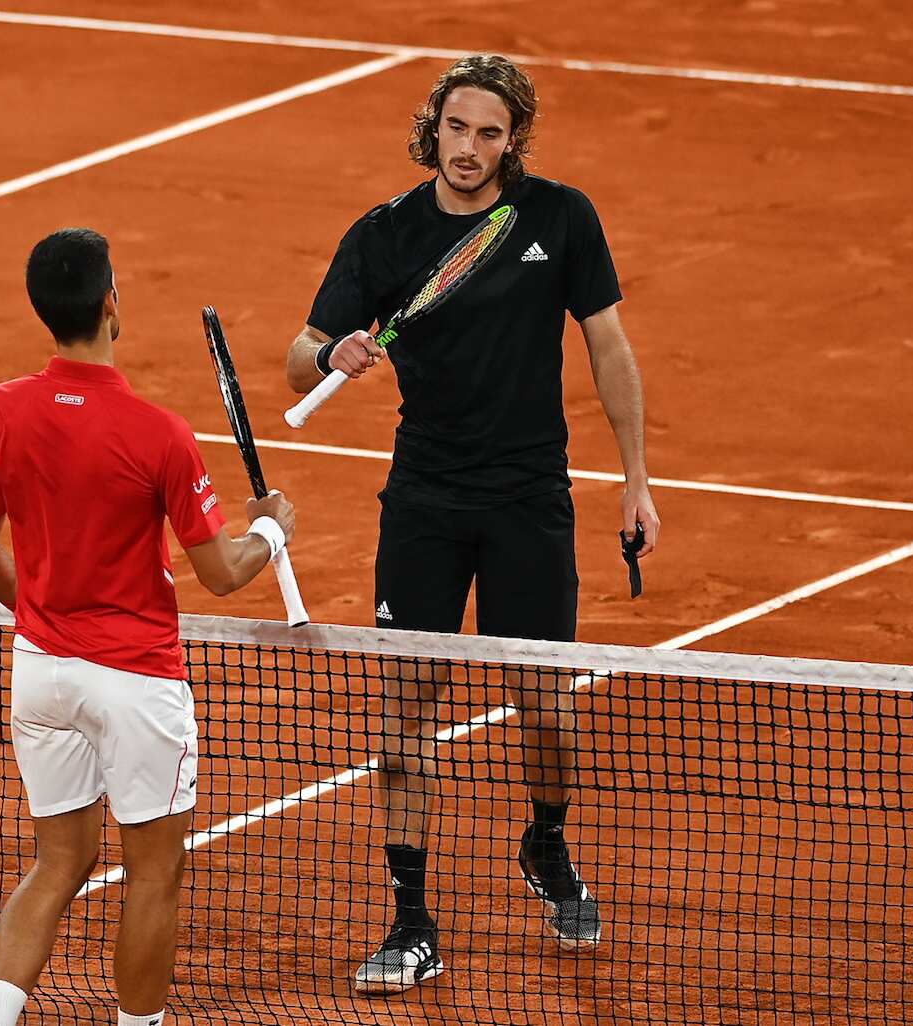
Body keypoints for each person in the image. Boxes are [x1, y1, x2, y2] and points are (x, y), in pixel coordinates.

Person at [282, 55, 660, 994]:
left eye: (490, 133)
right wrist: (337, 346)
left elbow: (607, 345)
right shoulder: (385, 236)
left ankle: (544, 840)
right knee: (405, 714)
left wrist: (636, 480)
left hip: (531, 498)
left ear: (512, 140)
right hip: (425, 502)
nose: (469, 148)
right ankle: (411, 922)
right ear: (434, 127)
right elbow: (297, 360)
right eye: (457, 128)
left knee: (547, 710)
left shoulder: (560, 218)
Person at [0, 227, 297, 1026]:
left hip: (41, 671)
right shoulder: (160, 434)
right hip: (139, 683)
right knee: (153, 875)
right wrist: (275, 530)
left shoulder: (3, 408)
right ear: (112, 304)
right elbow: (221, 571)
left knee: (57, 861)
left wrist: (46, 613)